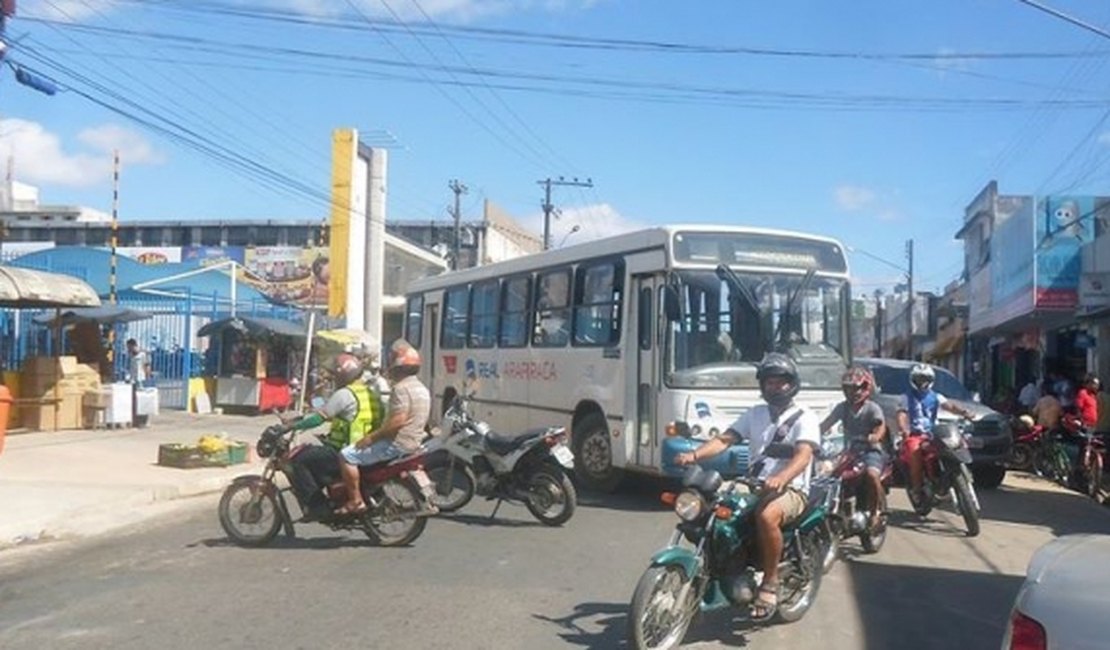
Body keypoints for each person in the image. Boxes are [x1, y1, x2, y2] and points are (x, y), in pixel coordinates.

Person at [674, 353, 820, 622]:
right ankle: (724, 569)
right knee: (711, 510)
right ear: (762, 386)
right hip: (753, 484)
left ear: (792, 384)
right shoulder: (755, 414)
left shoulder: (805, 417)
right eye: (769, 382)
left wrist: (782, 478)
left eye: (781, 382)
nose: (775, 387)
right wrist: (694, 456)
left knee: (766, 515)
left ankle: (770, 583)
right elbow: (725, 439)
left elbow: (803, 456)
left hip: (792, 489)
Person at [335, 339, 433, 515]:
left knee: (346, 455)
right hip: (414, 443)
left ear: (397, 368)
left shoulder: (401, 388)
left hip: (396, 444)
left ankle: (356, 500)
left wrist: (370, 438)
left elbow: (398, 422)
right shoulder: (422, 389)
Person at [283, 353, 385, 521]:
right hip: (367, 449)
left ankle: (317, 506)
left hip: (346, 451)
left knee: (298, 459)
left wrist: (292, 426)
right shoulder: (371, 392)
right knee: (315, 454)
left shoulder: (345, 394)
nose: (334, 378)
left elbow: (319, 418)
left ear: (343, 375)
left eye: (335, 374)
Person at [896, 364, 975, 507]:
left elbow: (950, 406)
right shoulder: (905, 397)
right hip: (915, 435)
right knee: (914, 452)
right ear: (912, 380)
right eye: (919, 379)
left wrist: (964, 412)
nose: (922, 382)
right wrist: (904, 429)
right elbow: (902, 414)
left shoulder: (936, 396)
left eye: (925, 379)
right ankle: (916, 488)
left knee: (952, 446)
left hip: (933, 434)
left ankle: (946, 479)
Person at [820, 366, 888, 528]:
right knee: (828, 476)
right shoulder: (842, 407)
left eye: (857, 388)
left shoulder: (872, 408)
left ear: (866, 388)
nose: (853, 392)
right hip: (849, 452)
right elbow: (826, 424)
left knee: (872, 475)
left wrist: (875, 436)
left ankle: (875, 512)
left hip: (871, 451)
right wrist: (808, 437)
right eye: (849, 388)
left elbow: (880, 426)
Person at [126, 338, 151, 427]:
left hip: (141, 380)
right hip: (133, 380)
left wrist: (147, 377)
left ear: (133, 346)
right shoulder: (131, 355)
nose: (128, 349)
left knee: (143, 401)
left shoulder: (143, 354)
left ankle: (144, 421)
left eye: (129, 347)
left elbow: (147, 366)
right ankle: (136, 421)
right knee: (135, 401)